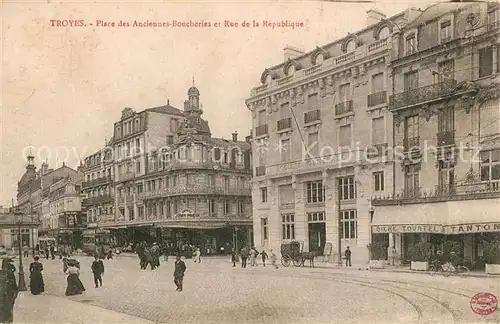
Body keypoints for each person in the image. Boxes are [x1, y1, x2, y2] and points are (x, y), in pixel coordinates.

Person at [0, 258, 19, 323]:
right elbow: (15, 287)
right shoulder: (10, 274)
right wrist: (14, 297)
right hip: (8, 296)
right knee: (9, 311)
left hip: (3, 296)